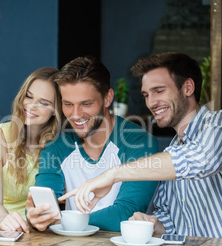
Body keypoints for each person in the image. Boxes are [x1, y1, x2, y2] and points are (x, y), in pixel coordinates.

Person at [61, 52, 222, 239]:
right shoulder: (172, 150)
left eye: (159, 91)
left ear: (188, 88)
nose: (151, 103)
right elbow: (170, 217)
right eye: (146, 95)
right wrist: (153, 224)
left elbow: (200, 160)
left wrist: (111, 175)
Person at [26, 56, 159, 232]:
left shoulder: (139, 142)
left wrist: (65, 222)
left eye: (86, 104)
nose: (75, 114)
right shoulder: (57, 146)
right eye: (68, 104)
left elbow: (126, 214)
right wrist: (37, 217)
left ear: (107, 98)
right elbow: (45, 202)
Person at [0, 67, 62, 233]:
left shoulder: (58, 146)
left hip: (39, 233)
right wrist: (4, 218)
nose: (31, 106)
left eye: (43, 103)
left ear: (56, 111)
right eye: (29, 96)